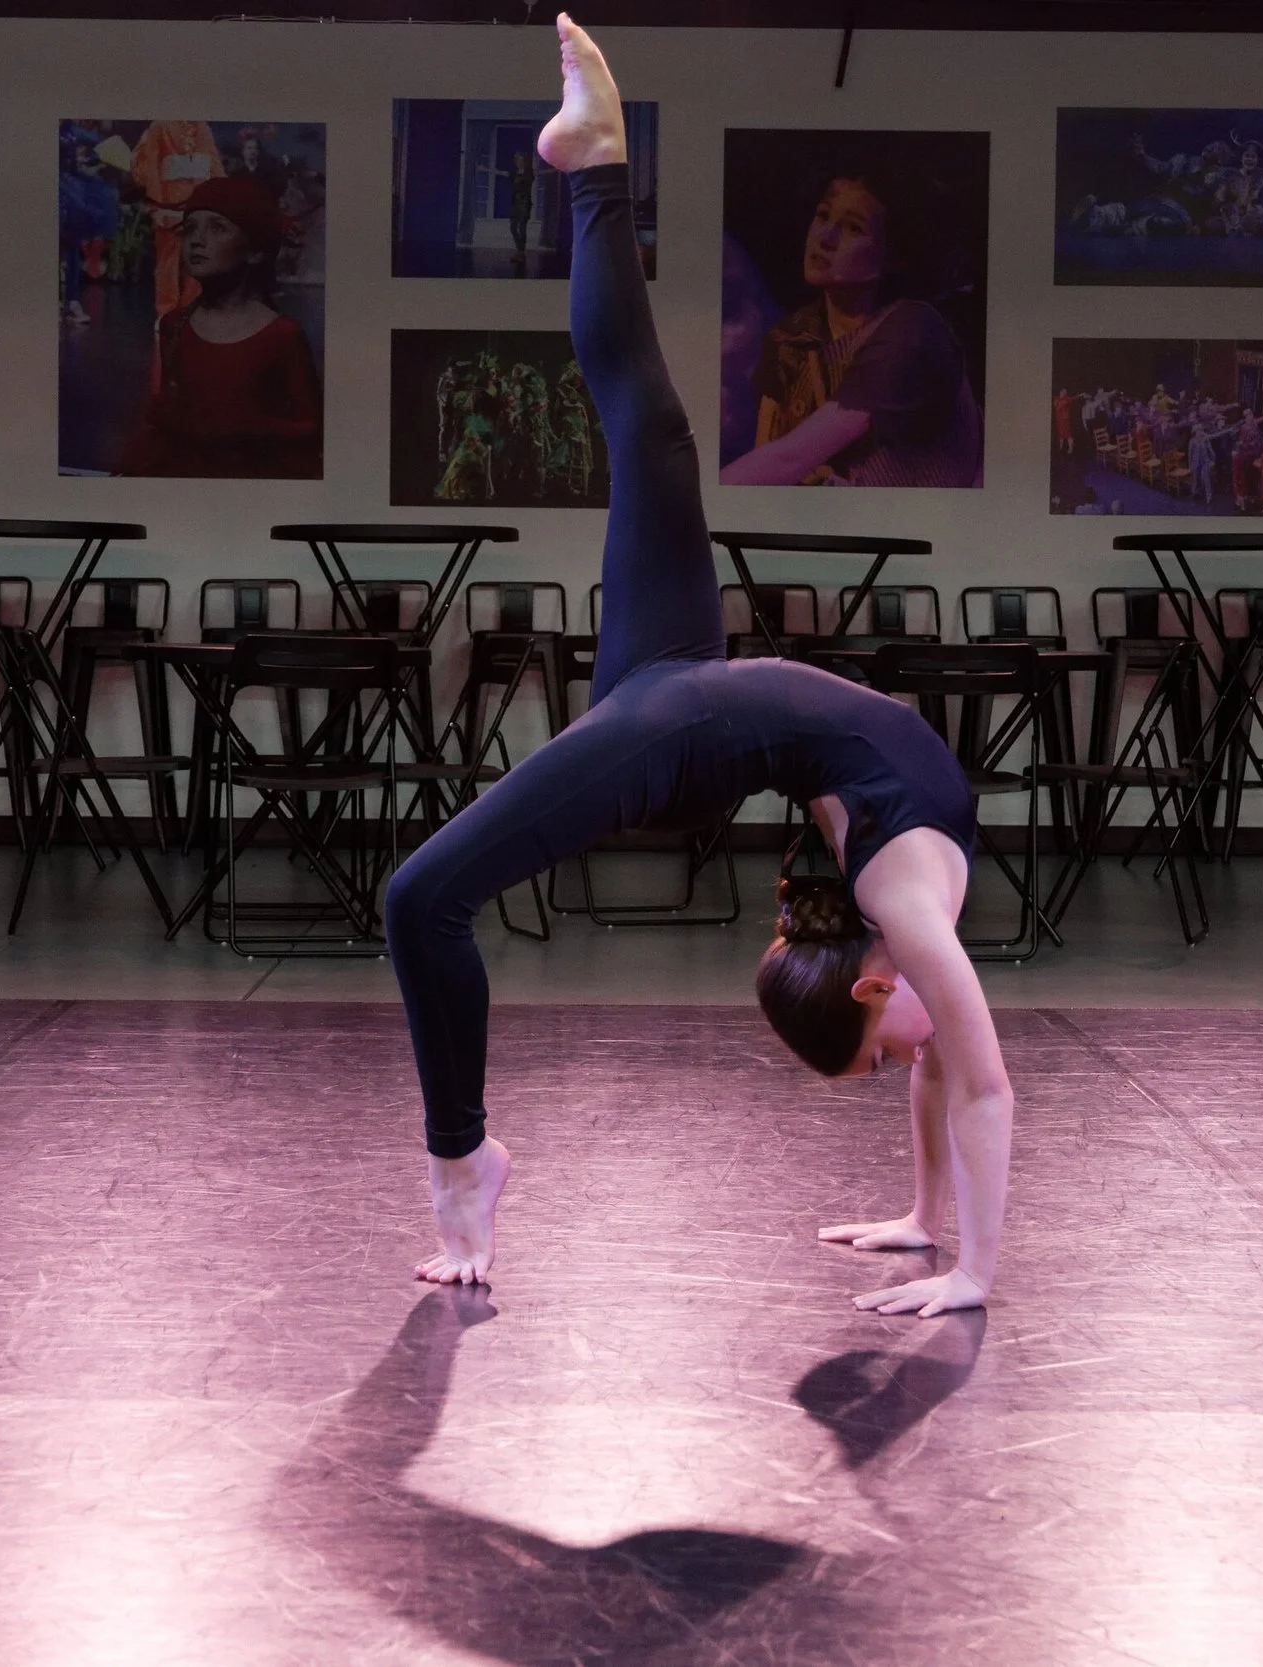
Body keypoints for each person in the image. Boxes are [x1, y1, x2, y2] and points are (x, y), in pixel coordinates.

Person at [386, 16, 1013, 1320]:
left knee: (418, 899)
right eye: (875, 1049)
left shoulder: (902, 904)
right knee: (658, 433)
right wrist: (953, 1253)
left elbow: (948, 1067)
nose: (904, 1053)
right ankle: (595, 162)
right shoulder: (904, 902)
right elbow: (974, 1079)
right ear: (873, 981)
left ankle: (464, 1159)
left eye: (865, 1052)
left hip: (685, 724)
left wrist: (950, 1247)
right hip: (683, 694)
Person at [719, 158, 982, 488]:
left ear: (894, 256)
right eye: (823, 215)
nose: (825, 236)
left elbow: (790, 457)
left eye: (853, 228)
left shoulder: (914, 330)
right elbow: (769, 462)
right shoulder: (792, 341)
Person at [113, 176, 321, 478]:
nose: (197, 240)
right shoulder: (176, 324)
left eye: (217, 228)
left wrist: (245, 425)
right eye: (190, 229)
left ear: (255, 250)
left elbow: (309, 427)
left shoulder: (282, 335)